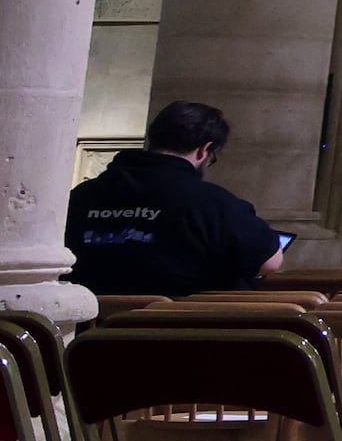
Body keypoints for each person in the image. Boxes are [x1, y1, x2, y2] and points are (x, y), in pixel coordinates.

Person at [67, 102, 283, 297]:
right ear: (204, 150)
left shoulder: (81, 195)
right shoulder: (212, 203)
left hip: (90, 333)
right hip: (180, 332)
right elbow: (270, 262)